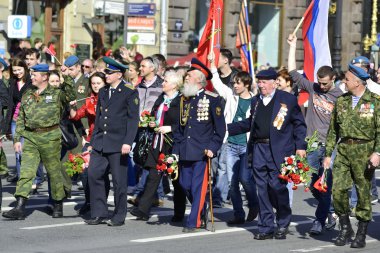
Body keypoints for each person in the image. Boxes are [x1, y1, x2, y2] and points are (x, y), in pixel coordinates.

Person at [228, 68, 307, 240]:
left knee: (277, 187)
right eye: (260, 82)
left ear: (274, 83)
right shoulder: (256, 101)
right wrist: (227, 129)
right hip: (259, 149)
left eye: (264, 82)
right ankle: (266, 226)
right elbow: (250, 123)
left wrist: (301, 146)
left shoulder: (287, 99)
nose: (261, 85)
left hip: (279, 150)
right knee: (262, 189)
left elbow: (299, 124)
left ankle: (283, 220)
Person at [2, 64, 76, 220]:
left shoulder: (56, 94)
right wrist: (17, 139)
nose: (32, 76)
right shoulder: (28, 94)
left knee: (53, 172)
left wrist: (67, 75)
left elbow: (70, 94)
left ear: (44, 77)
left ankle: (57, 204)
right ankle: (20, 207)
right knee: (26, 172)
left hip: (50, 137)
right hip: (30, 137)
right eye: (32, 73)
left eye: (35, 74)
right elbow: (21, 118)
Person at [287, 34, 343, 235]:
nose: (322, 86)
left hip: (330, 148)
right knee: (311, 183)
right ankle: (329, 210)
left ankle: (318, 221)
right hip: (311, 145)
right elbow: (293, 73)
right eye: (320, 82)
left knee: (324, 184)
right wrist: (293, 46)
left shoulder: (340, 97)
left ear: (333, 79)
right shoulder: (313, 88)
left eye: (326, 83)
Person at [323, 63, 380, 248]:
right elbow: (333, 131)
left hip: (364, 152)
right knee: (337, 191)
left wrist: (377, 152)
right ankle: (346, 227)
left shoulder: (375, 101)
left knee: (363, 193)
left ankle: (361, 233)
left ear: (358, 82)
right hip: (343, 150)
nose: (344, 82)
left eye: (347, 79)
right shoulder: (342, 101)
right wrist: (327, 154)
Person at [172, 58, 226, 233]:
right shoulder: (183, 98)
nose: (186, 78)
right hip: (185, 150)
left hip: (203, 152)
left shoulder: (212, 99)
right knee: (184, 184)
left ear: (199, 79)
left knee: (197, 186)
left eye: (189, 75)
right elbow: (178, 127)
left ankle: (193, 221)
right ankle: (201, 208)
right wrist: (176, 151)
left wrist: (213, 147)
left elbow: (220, 129)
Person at [85, 57, 139, 226]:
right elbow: (100, 118)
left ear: (118, 74)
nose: (105, 75)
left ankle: (119, 215)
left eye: (108, 73)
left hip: (118, 143)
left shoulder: (129, 91)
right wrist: (93, 141)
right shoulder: (103, 91)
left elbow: (132, 119)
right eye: (105, 72)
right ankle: (99, 212)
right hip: (101, 141)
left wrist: (128, 142)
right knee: (94, 174)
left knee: (119, 181)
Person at [208, 52, 259, 225]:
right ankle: (238, 213)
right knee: (232, 182)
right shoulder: (231, 96)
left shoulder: (255, 101)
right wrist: (212, 67)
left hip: (246, 146)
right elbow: (218, 85)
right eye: (234, 83)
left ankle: (254, 203)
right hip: (230, 145)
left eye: (238, 83)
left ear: (246, 84)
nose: (234, 85)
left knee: (245, 178)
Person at [129, 70, 186, 222]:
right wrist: (153, 122)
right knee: (153, 176)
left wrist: (171, 128)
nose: (162, 83)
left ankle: (186, 211)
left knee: (177, 180)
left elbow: (185, 124)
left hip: (172, 144)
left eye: (166, 81)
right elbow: (156, 115)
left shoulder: (182, 101)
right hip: (157, 143)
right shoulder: (161, 98)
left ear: (174, 85)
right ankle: (143, 210)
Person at [69, 72, 109, 215]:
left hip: (109, 140)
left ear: (105, 83)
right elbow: (76, 116)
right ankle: (89, 201)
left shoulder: (109, 98)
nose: (96, 86)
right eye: (93, 83)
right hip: (92, 140)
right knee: (86, 172)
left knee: (102, 174)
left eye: (99, 83)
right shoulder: (89, 100)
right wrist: (72, 106)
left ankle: (102, 202)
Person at [3, 58, 32, 183]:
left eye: (19, 70)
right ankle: (22, 179)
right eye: (14, 70)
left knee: (27, 152)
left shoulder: (31, 81)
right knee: (17, 151)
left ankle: (33, 178)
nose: (17, 73)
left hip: (29, 122)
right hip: (15, 121)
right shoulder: (12, 82)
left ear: (24, 68)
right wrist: (7, 127)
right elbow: (10, 104)